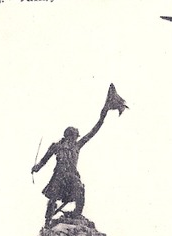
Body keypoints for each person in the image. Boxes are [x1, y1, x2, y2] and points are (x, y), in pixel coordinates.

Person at [32, 84, 127, 225]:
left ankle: (76, 215)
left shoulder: (78, 145)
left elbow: (94, 130)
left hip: (72, 175)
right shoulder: (56, 146)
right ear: (68, 135)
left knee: (80, 191)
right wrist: (37, 167)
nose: (76, 138)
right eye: (74, 135)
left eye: (76, 136)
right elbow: (44, 160)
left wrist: (104, 113)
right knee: (52, 197)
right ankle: (47, 221)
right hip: (59, 174)